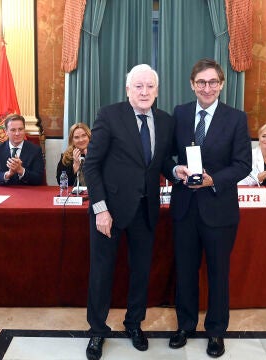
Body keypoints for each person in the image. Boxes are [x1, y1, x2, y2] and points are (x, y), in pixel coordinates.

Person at [83, 64, 175, 360]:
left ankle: (134, 324)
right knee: (102, 273)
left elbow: (160, 163)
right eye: (138, 86)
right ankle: (97, 331)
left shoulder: (165, 121)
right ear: (128, 90)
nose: (145, 91)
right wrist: (100, 209)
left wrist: (176, 170)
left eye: (150, 86)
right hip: (108, 212)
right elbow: (91, 165)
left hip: (145, 210)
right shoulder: (109, 115)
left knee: (141, 272)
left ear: (157, 91)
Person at [163, 58, 252, 358]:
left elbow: (243, 164)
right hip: (185, 208)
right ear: (192, 84)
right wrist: (175, 172)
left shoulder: (236, 118)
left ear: (222, 85)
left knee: (218, 273)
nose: (207, 87)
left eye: (213, 82)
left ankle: (215, 332)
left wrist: (214, 180)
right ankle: (185, 326)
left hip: (219, 210)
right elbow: (167, 156)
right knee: (185, 272)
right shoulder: (181, 114)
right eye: (201, 82)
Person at [0, 114, 44, 185]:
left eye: (20, 129)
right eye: (13, 130)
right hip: (4, 192)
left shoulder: (35, 150)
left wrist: (21, 170)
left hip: (26, 192)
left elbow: (39, 179)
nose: (17, 133)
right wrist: (8, 174)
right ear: (6, 132)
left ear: (24, 130)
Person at [56, 123, 91, 187]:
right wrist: (75, 166)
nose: (81, 140)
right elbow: (62, 183)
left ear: (89, 137)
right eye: (76, 137)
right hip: (73, 195)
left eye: (84, 135)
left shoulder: (99, 155)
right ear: (72, 140)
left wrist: (90, 161)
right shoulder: (66, 157)